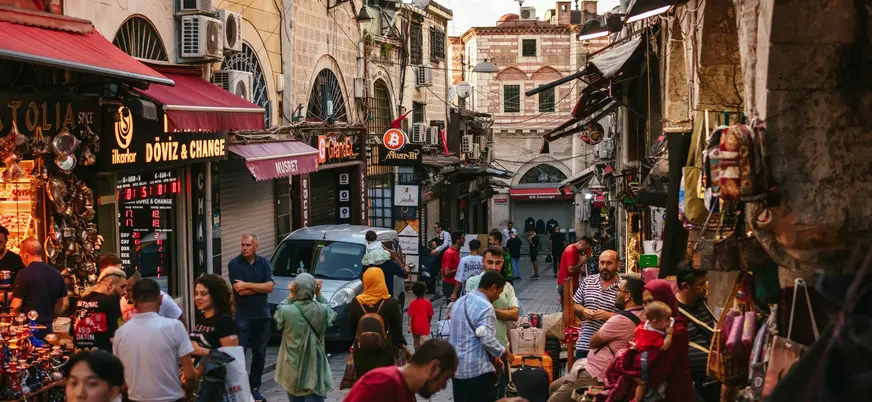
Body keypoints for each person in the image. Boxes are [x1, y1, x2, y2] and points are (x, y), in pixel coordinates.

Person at [548, 277, 646, 402]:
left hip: (595, 374)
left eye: (618, 290)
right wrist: (583, 310)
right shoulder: (643, 313)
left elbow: (593, 341)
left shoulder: (620, 320)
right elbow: (575, 305)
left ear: (627, 296)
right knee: (554, 387)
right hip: (594, 367)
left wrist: (608, 318)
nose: (616, 294)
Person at [113, 278, 196, 402]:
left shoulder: (120, 334)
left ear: (133, 301)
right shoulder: (175, 327)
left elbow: (121, 379)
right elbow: (189, 375)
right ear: (160, 299)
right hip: (172, 399)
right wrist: (188, 393)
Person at [462, 247, 520, 398]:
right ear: (483, 262)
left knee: (502, 394)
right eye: (490, 262)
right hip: (478, 353)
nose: (493, 267)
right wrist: (497, 312)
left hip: (501, 347)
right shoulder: (473, 282)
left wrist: (490, 311)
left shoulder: (507, 287)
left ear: (503, 263)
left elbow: (515, 314)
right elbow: (473, 313)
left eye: (498, 263)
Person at [450, 270, 514, 402]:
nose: (497, 297)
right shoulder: (486, 307)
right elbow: (487, 339)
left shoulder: (460, 302)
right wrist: (504, 352)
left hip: (456, 370)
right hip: (476, 371)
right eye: (499, 292)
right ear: (493, 288)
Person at [228, 233, 275, 402]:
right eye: (242, 245)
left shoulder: (264, 263)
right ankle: (240, 388)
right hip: (243, 316)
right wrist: (260, 288)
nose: (244, 248)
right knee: (239, 353)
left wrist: (247, 285)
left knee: (260, 354)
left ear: (256, 246)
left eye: (248, 245)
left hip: (262, 315)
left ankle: (255, 388)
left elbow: (270, 287)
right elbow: (239, 291)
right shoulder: (234, 264)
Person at [274, 273, 335, 402]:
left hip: (292, 365)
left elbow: (278, 313)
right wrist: (319, 294)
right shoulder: (322, 310)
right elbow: (331, 311)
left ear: (295, 289)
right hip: (315, 365)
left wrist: (291, 296)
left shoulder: (286, 311)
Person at [344, 339, 457, 402]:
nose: (443, 386)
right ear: (433, 367)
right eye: (446, 377)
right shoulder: (384, 383)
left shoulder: (406, 392)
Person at [640, 279, 694, 402]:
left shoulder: (676, 330)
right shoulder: (651, 325)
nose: (647, 307)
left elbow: (658, 367)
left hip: (673, 393)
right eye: (644, 303)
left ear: (664, 300)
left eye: (651, 301)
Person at [675, 264, 719, 402]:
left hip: (712, 382)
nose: (705, 287)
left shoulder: (702, 304)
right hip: (689, 387)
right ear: (685, 286)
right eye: (700, 284)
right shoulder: (671, 312)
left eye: (706, 282)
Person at [350, 268, 405, 377]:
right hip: (385, 352)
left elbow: (352, 328)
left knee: (365, 381)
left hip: (362, 352)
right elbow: (397, 329)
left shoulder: (356, 302)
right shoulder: (391, 302)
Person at [11, 238, 67, 336]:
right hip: (48, 329)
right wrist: (48, 317)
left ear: (26, 255)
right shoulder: (56, 274)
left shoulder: (23, 274)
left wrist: (12, 322)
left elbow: (16, 305)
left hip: (28, 329)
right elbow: (64, 304)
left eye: (21, 255)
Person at [572, 250, 621, 359]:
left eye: (609, 263)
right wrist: (583, 310)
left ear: (618, 265)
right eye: (602, 263)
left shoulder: (623, 288)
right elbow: (575, 305)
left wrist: (609, 316)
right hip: (585, 344)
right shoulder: (588, 281)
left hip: (610, 348)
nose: (605, 266)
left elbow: (629, 317)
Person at [113, 254, 183, 322]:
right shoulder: (121, 302)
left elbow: (182, 325)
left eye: (129, 290)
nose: (125, 294)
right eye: (123, 288)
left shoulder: (163, 300)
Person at [73, 267, 127, 352]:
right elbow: (119, 335)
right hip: (103, 356)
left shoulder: (81, 300)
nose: (125, 292)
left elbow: (73, 334)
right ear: (110, 285)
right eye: (122, 287)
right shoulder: (111, 301)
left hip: (81, 356)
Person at [631, 301, 675, 402]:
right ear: (655, 322)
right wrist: (669, 335)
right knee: (644, 383)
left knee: (642, 383)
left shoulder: (644, 325)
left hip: (639, 358)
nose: (670, 321)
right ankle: (636, 399)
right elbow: (664, 346)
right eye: (667, 319)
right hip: (646, 362)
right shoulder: (652, 334)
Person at [190, 274, 238, 357]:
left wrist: (202, 351)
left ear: (215, 296)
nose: (198, 298)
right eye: (196, 294)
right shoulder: (203, 317)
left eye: (203, 294)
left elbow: (232, 356)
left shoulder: (225, 321)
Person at [362, 231, 409, 298]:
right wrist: (396, 258)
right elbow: (405, 275)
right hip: (386, 299)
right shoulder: (389, 264)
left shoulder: (366, 265)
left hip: (371, 299)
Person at [557, 236, 594, 307]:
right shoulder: (571, 250)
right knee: (568, 309)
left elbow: (573, 266)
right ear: (583, 244)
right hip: (567, 285)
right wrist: (583, 261)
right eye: (586, 248)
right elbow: (571, 269)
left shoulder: (574, 250)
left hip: (569, 283)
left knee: (569, 307)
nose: (586, 251)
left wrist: (580, 270)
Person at [407, 281, 433, 351]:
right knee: (424, 343)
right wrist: (429, 322)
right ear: (424, 292)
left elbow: (410, 317)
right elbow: (430, 315)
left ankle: (417, 354)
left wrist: (409, 326)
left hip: (415, 327)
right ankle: (423, 355)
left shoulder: (412, 304)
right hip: (424, 326)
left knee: (416, 342)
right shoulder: (428, 303)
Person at [442, 231, 464, 300]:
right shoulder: (450, 253)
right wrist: (458, 269)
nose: (464, 240)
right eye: (463, 238)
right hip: (450, 285)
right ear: (458, 240)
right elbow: (447, 272)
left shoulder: (456, 252)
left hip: (455, 284)